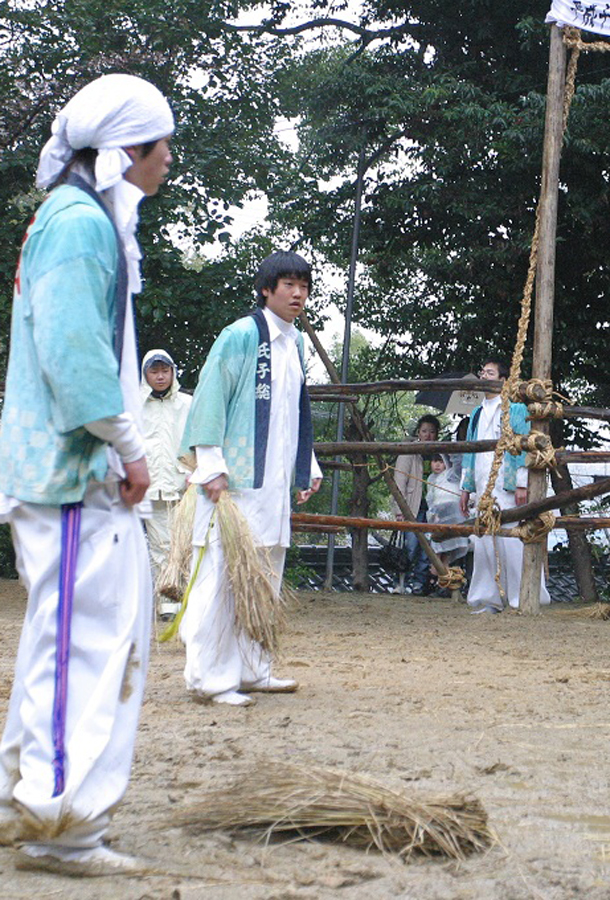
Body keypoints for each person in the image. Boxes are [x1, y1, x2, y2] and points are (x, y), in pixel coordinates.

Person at [0, 74, 173, 874]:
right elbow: (77, 357)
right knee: (89, 643)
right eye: (160, 144)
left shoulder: (79, 218)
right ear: (127, 151)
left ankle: (23, 797)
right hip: (75, 471)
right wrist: (129, 447)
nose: (168, 159)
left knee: (58, 636)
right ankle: (64, 822)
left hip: (64, 469)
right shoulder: (79, 224)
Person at [177, 251, 322, 706]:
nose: (298, 294)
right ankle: (209, 678)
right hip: (234, 481)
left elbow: (294, 413)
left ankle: (253, 669)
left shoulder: (295, 343)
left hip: (274, 483)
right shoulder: (239, 336)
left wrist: (307, 464)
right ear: (266, 289)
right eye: (288, 285)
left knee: (265, 575)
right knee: (221, 577)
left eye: (304, 286)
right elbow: (211, 398)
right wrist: (211, 464)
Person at [459, 358, 551, 612]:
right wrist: (465, 488)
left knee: (512, 538)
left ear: (502, 380)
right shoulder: (476, 413)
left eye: (490, 373)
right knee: (483, 541)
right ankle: (487, 599)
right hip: (482, 481)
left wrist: (522, 482)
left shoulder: (517, 409)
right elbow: (469, 451)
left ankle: (520, 597)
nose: (484, 377)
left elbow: (523, 444)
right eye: (482, 372)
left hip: (506, 482)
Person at [141, 348, 192, 618]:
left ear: (173, 372)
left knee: (186, 545)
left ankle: (190, 600)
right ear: (145, 374)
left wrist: (192, 472)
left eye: (165, 370)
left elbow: (196, 440)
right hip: (152, 488)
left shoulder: (187, 404)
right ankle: (168, 603)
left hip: (186, 485)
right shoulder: (136, 406)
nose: (160, 377)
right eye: (154, 371)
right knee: (160, 546)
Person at [391, 414, 440, 593]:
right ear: (418, 432)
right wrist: (399, 508)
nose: (428, 435)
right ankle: (400, 582)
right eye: (424, 431)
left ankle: (419, 584)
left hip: (433, 507)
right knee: (410, 546)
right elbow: (399, 481)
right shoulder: (409, 451)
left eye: (432, 432)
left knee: (428, 548)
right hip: (412, 505)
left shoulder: (440, 453)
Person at [426, 453, 470, 583]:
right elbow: (430, 498)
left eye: (441, 461)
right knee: (437, 548)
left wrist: (452, 452)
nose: (438, 465)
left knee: (447, 550)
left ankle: (443, 579)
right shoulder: (431, 478)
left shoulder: (452, 475)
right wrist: (432, 514)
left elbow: (459, 464)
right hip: (438, 515)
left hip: (452, 515)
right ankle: (437, 577)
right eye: (435, 461)